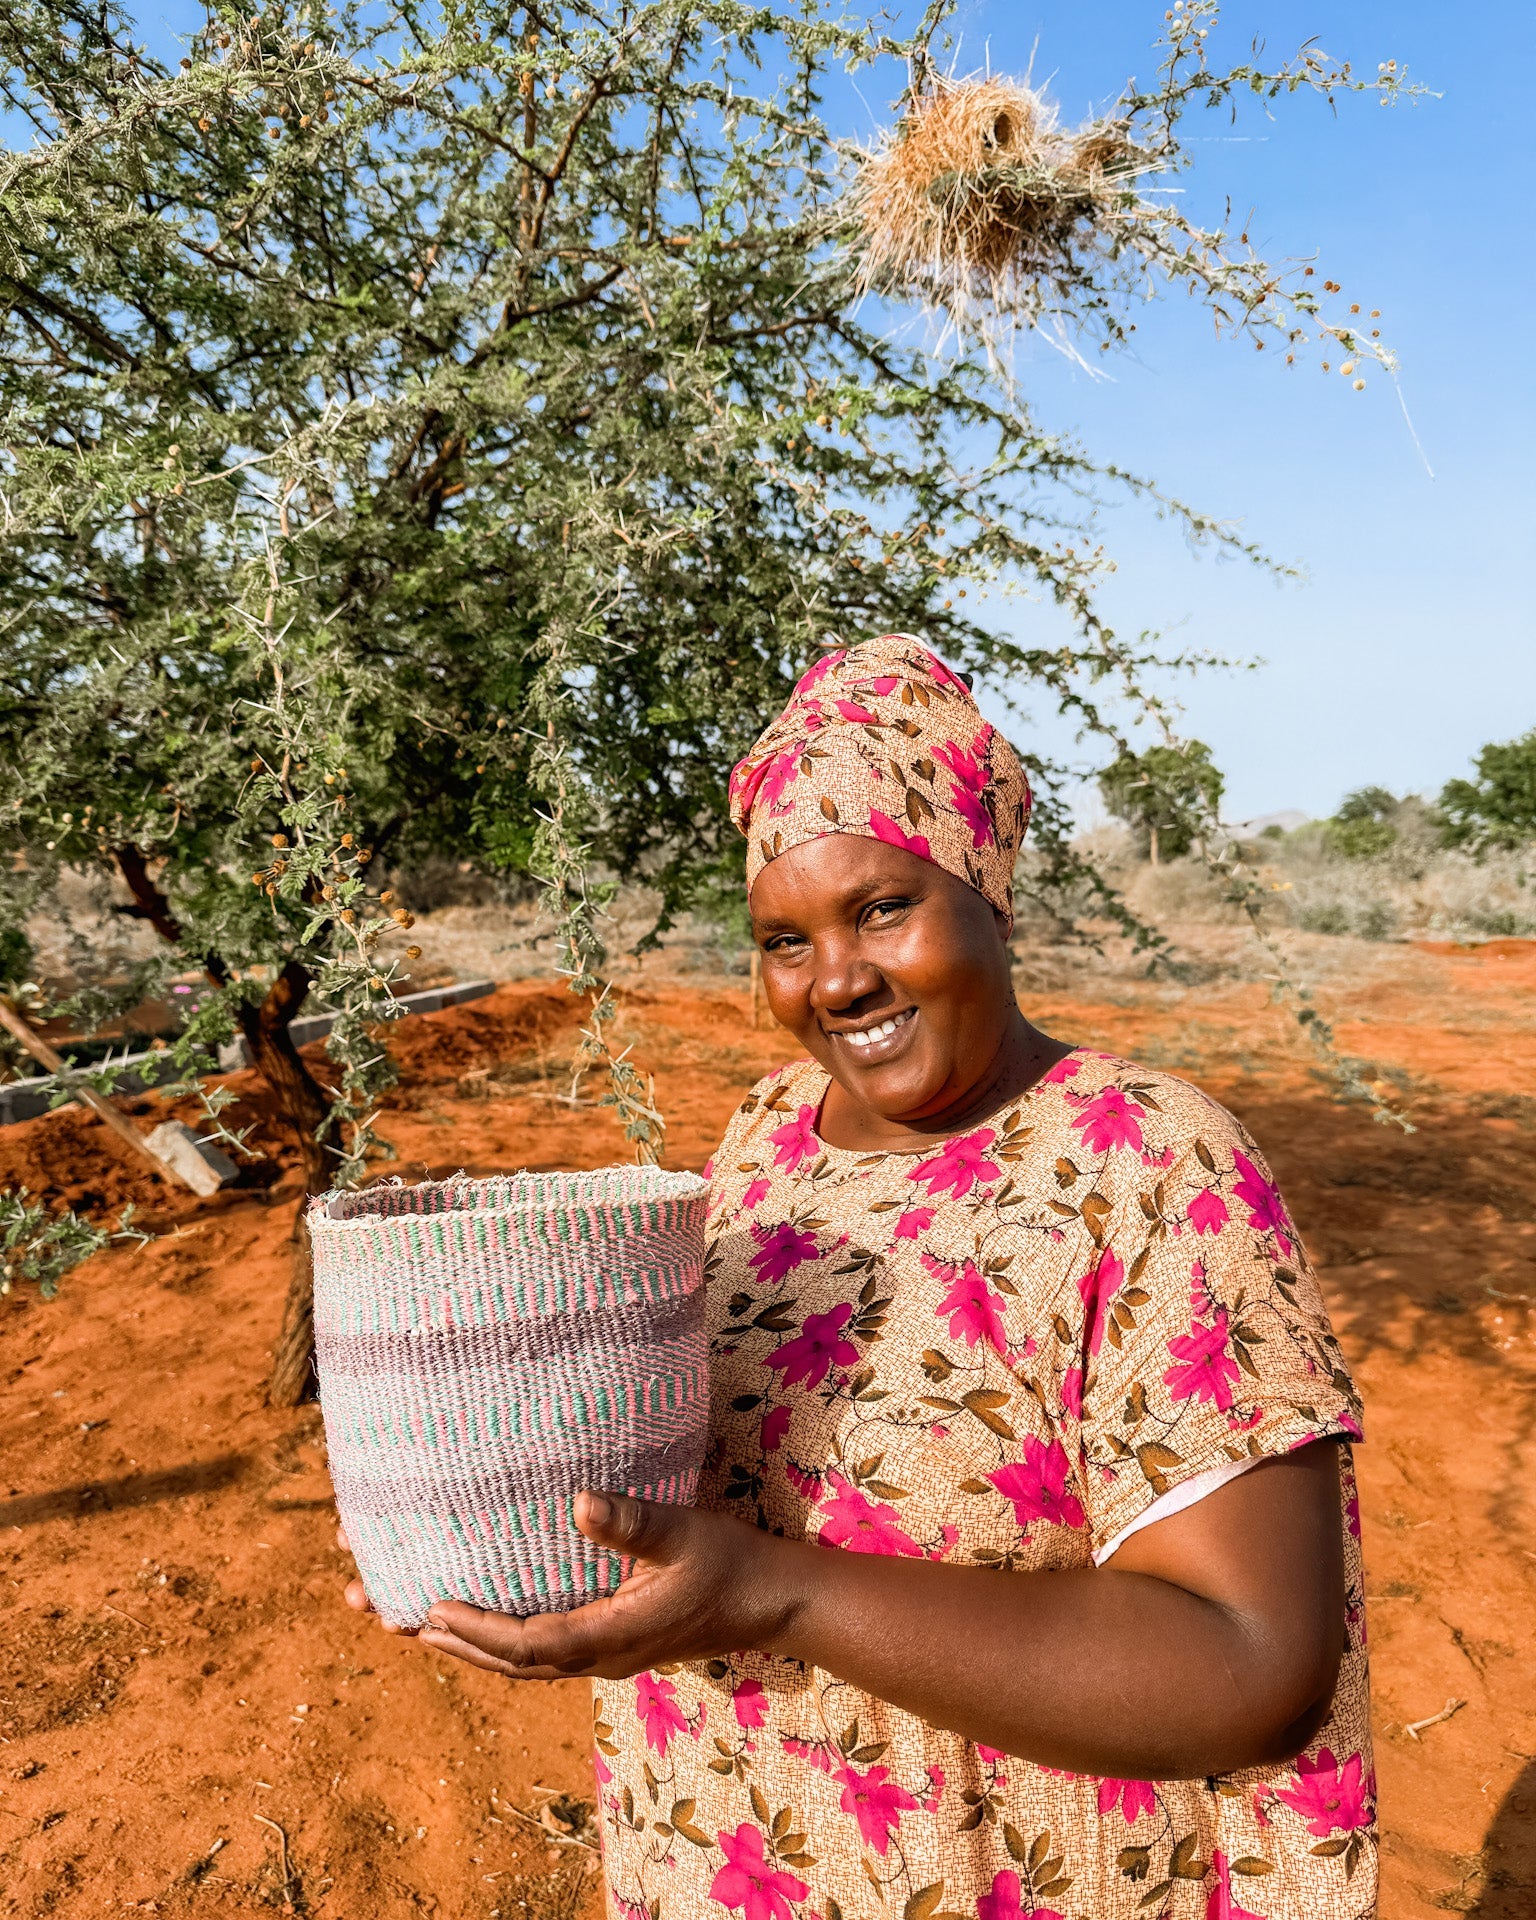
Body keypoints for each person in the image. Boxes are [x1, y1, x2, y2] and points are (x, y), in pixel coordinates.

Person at [343, 634, 1374, 1920]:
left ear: (991, 900)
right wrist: (469, 1511)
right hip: (717, 1854)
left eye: (883, 908)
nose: (835, 980)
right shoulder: (766, 1138)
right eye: (785, 938)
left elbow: (1250, 1667)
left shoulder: (1149, 1159)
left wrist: (778, 1596)